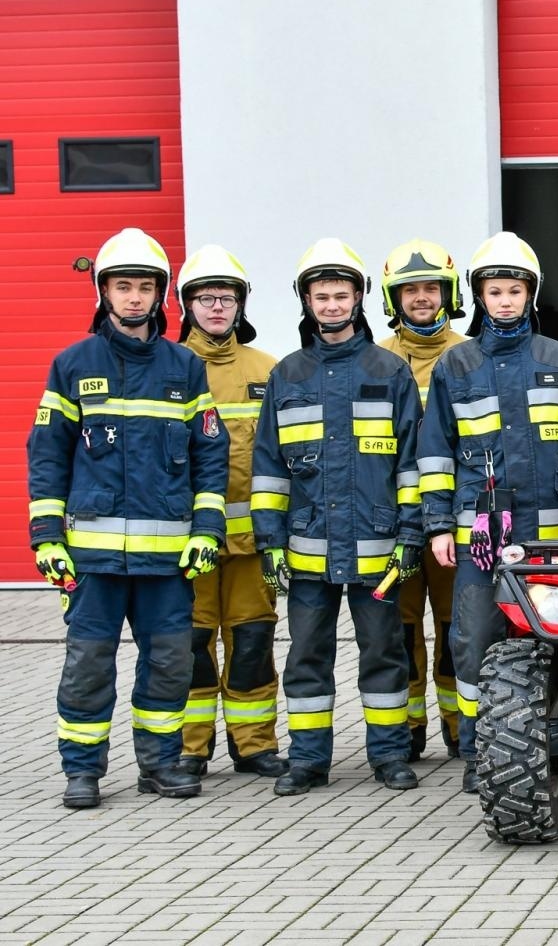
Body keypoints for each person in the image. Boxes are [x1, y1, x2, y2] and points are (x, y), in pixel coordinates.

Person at [29, 228, 229, 809]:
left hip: (167, 559)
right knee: (89, 664)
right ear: (104, 293)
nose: (135, 298)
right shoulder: (72, 365)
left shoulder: (184, 368)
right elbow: (47, 455)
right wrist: (47, 536)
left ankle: (162, 765)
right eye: (124, 287)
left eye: (145, 287)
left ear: (161, 294)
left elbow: (209, 455)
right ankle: (83, 771)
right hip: (90, 558)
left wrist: (207, 531)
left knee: (169, 664)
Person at [419, 231, 558, 794]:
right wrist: (436, 525)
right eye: (494, 291)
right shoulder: (456, 365)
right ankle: (485, 755)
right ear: (479, 297)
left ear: (531, 295)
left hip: (556, 534)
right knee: (476, 640)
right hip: (483, 536)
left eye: (514, 290)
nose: (504, 300)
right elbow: (436, 448)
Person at [252, 238, 423, 796]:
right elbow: (270, 468)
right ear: (305, 302)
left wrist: (411, 533)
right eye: (320, 296)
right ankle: (307, 762)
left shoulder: (389, 371)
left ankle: (390, 757)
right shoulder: (287, 375)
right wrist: (269, 542)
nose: (330, 305)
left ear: (359, 300)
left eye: (340, 295)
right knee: (306, 656)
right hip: (305, 550)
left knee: (384, 652)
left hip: (377, 550)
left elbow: (411, 463)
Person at [174, 245, 287, 780]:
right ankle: (190, 749)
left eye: (227, 298)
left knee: (252, 645)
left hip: (252, 546)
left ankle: (255, 746)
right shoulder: (168, 368)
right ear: (186, 305)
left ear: (241, 305)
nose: (217, 308)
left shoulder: (271, 370)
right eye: (205, 298)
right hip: (184, 544)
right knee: (190, 648)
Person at [378, 239, 468, 763]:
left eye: (430, 287)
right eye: (409, 290)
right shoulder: (375, 361)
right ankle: (409, 732)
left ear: (447, 294)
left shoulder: (470, 355)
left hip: (455, 518)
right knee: (401, 629)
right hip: (393, 522)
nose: (420, 298)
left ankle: (461, 730)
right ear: (394, 299)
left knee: (457, 627)